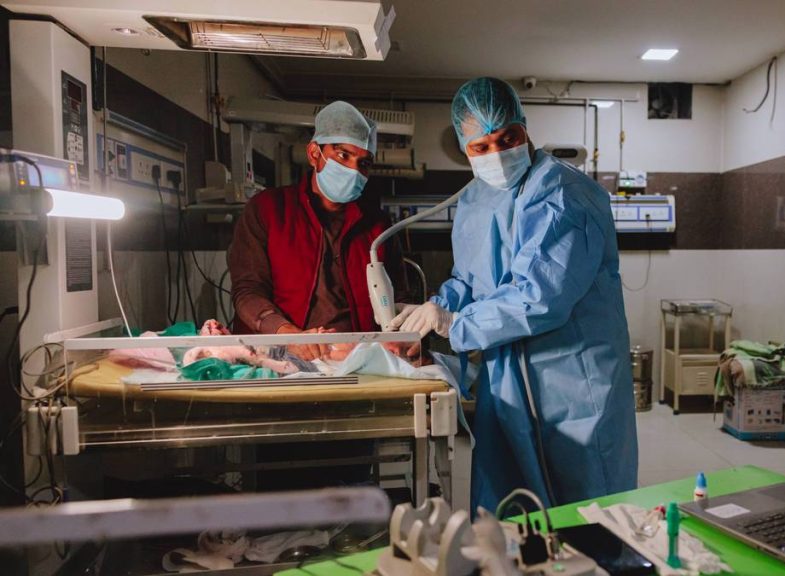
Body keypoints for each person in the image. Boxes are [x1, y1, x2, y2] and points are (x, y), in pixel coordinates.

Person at [389, 77, 638, 511]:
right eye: (481, 147)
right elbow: (470, 280)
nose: (497, 155)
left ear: (525, 128)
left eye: (508, 139)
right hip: (506, 381)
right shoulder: (475, 200)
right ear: (464, 148)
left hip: (571, 385)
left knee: (583, 515)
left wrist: (453, 324)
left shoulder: (565, 194)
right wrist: (436, 308)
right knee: (509, 512)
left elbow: (539, 297)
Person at [229, 100, 405, 360]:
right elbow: (247, 292)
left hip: (354, 358)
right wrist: (288, 335)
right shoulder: (268, 210)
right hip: (279, 354)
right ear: (314, 154)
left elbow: (397, 297)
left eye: (364, 163)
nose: (353, 170)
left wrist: (400, 336)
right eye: (343, 155)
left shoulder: (377, 226)